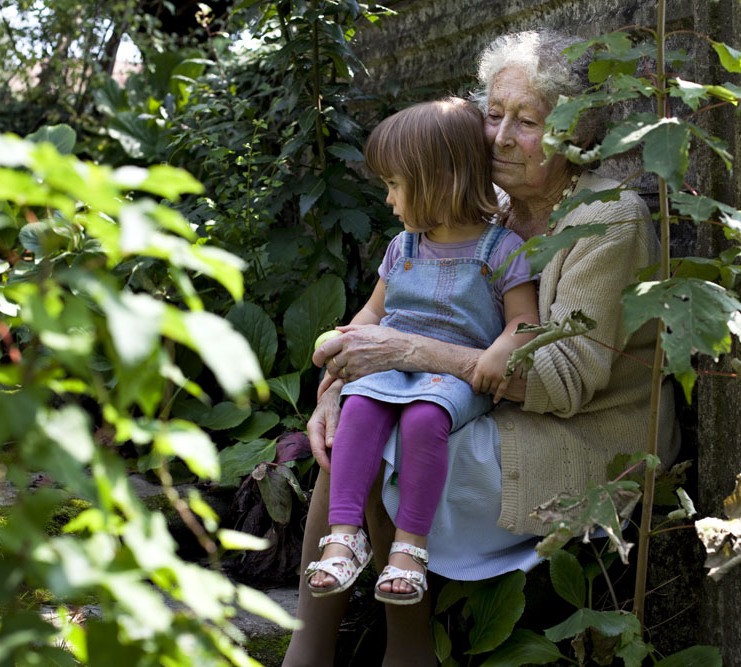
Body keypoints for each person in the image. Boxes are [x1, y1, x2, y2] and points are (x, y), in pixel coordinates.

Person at [283, 29, 677, 667]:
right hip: (473, 402)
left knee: (392, 436)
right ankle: (314, 645)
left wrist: (408, 354)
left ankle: (403, 653)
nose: (498, 137)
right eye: (494, 115)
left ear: (572, 131)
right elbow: (389, 313)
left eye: (526, 122)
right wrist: (337, 393)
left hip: (585, 435)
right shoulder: (483, 204)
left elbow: (565, 379)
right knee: (354, 429)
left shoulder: (607, 219)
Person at [303, 98, 539, 607]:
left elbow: (525, 320)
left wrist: (503, 348)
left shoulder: (500, 249)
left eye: (394, 185)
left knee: (423, 421)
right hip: (391, 371)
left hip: (452, 377)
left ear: (439, 179)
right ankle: (344, 537)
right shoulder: (402, 248)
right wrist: (343, 338)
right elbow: (372, 314)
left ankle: (411, 548)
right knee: (360, 409)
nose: (389, 200)